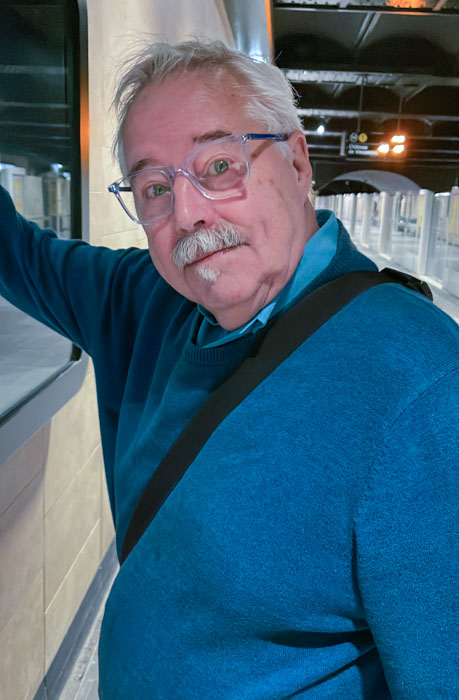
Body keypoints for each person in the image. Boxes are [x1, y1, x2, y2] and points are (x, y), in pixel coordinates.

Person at [0, 40, 458, 699]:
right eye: (155, 188)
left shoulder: (418, 383)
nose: (188, 214)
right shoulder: (146, 304)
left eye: (218, 165)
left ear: (296, 163)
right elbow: (16, 253)